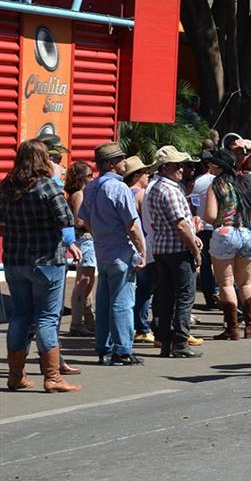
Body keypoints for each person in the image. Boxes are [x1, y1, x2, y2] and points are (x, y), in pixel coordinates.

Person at [1, 140, 81, 392]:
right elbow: (66, 218)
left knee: (20, 315)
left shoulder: (6, 186)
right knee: (46, 317)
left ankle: (16, 375)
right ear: (43, 159)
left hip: (14, 259)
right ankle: (53, 377)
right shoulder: (47, 184)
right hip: (47, 259)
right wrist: (71, 243)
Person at [80, 142, 147, 366]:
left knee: (104, 300)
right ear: (110, 163)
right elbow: (132, 225)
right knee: (122, 301)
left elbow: (85, 219)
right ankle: (122, 349)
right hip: (121, 251)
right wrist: (142, 251)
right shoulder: (119, 188)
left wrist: (99, 236)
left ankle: (104, 346)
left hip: (103, 250)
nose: (124, 162)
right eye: (120, 159)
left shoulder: (91, 187)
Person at [148, 146, 204, 357]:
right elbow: (180, 224)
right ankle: (180, 342)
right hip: (177, 250)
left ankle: (165, 341)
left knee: (166, 297)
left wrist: (193, 237)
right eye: (176, 165)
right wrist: (195, 250)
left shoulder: (156, 187)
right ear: (164, 168)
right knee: (184, 297)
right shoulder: (169, 190)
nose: (181, 169)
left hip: (162, 248)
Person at [204, 148, 251, 340]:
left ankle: (232, 328)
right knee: (246, 282)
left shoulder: (216, 185)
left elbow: (210, 215)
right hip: (248, 232)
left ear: (218, 166)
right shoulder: (245, 182)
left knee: (226, 283)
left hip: (226, 232)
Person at [123, 156, 156, 343]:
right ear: (136, 175)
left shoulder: (124, 192)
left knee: (132, 287)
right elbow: (149, 221)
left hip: (125, 245)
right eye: (145, 172)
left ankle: (134, 324)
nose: (148, 176)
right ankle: (142, 326)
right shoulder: (141, 194)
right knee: (146, 287)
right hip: (143, 244)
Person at [65, 161, 97, 337]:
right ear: (81, 177)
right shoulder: (79, 194)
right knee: (84, 281)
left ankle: (89, 321)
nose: (92, 178)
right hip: (85, 239)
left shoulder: (81, 193)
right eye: (89, 175)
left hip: (86, 239)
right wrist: (96, 223)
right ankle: (77, 323)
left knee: (88, 281)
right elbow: (79, 220)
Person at [191, 151, 220, 310]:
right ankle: (221, 293)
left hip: (203, 227)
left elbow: (195, 205)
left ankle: (210, 297)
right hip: (218, 226)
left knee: (206, 264)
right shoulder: (219, 180)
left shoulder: (198, 182)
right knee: (222, 262)